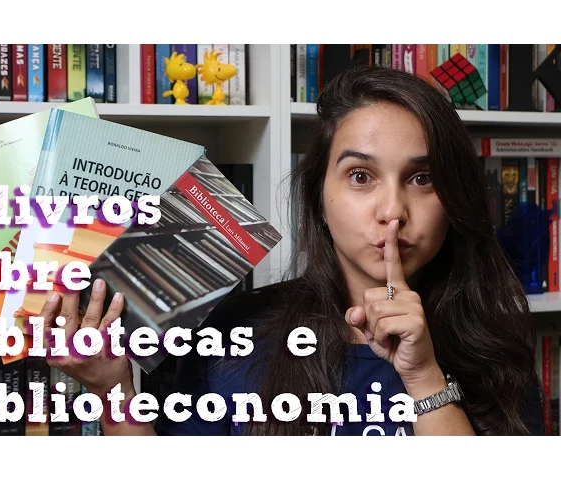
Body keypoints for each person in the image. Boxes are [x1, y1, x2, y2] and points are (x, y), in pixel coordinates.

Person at [38, 64, 545, 436]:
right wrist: (113, 390)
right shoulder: (233, 331)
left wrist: (424, 377)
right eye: (361, 176)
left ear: (454, 199)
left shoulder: (495, 349)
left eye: (422, 178)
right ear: (319, 199)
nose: (393, 211)